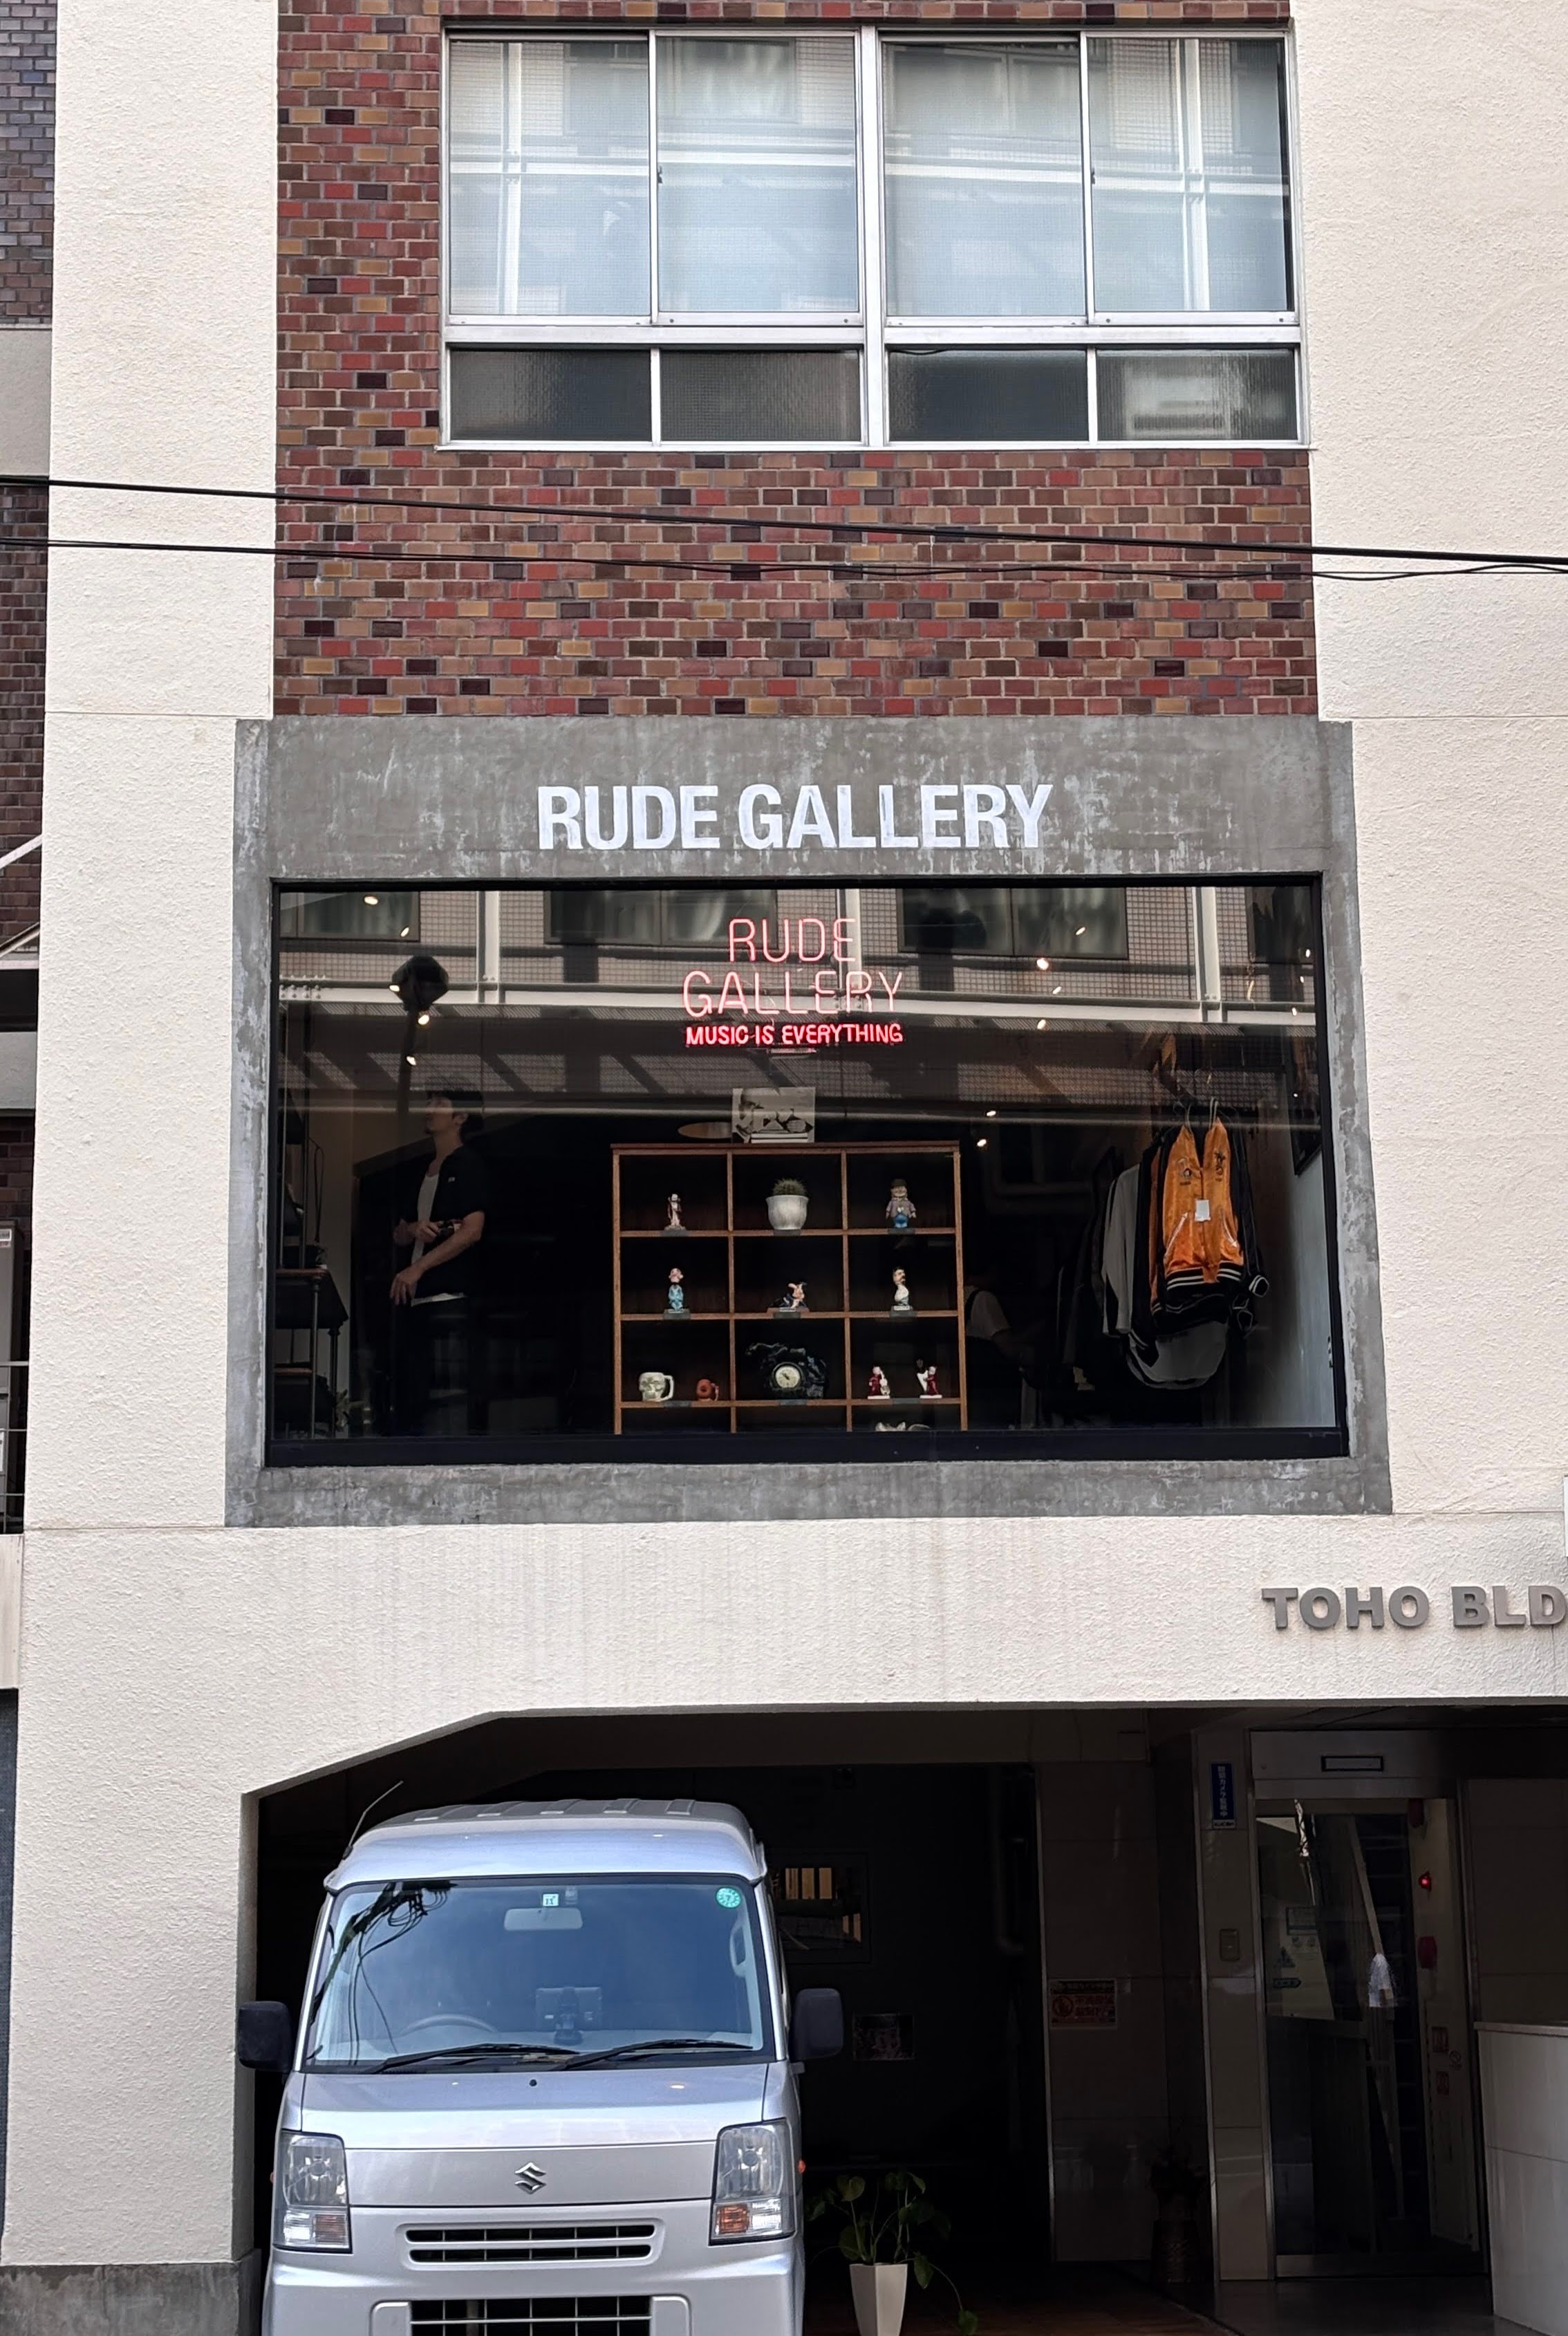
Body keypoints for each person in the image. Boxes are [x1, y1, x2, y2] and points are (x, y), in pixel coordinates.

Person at [390, 1093, 489, 1434]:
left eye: (440, 1104)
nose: (430, 1110)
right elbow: (399, 1233)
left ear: (460, 1118)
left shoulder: (468, 1164)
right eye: (429, 1102)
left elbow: (472, 1231)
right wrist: (413, 1229)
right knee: (414, 1390)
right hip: (415, 1296)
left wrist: (419, 1267)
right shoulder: (423, 1169)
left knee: (449, 1390)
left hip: (450, 1297)